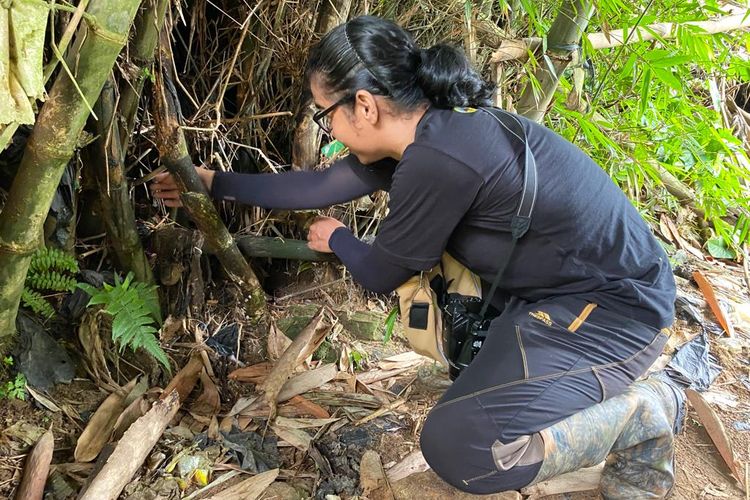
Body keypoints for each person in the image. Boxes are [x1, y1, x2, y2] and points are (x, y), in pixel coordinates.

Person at [151, 15, 684, 497]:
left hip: (617, 314)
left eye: (325, 116)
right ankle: (583, 390)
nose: (327, 131)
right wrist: (213, 182)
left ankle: (643, 412)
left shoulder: (438, 159)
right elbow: (315, 188)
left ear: (364, 105)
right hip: (553, 300)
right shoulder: (437, 130)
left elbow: (383, 272)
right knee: (471, 376)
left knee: (463, 451)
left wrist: (338, 238)